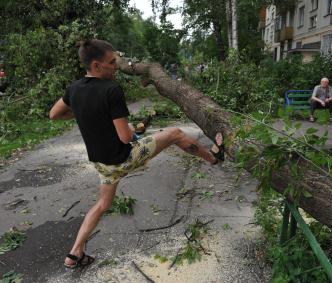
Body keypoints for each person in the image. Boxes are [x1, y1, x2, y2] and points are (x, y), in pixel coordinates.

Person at [49, 39, 225, 269]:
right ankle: (214, 157)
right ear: (96, 65)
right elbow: (125, 137)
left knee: (102, 204)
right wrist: (130, 129)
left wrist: (85, 113)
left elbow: (54, 114)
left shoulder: (73, 89)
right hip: (123, 158)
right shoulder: (111, 90)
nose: (116, 66)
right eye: (112, 62)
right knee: (175, 133)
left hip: (102, 164)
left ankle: (74, 254)